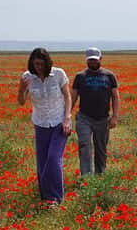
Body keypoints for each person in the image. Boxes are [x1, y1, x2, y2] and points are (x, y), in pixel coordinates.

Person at [17, 47, 72, 205]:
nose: (38, 67)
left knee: (53, 159)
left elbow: (67, 97)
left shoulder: (58, 74)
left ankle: (55, 198)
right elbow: (21, 102)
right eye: (35, 64)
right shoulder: (27, 77)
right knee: (42, 162)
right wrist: (21, 88)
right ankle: (46, 198)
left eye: (41, 64)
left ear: (47, 63)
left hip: (59, 123)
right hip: (40, 123)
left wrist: (67, 118)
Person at [71, 47, 120, 176]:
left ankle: (100, 175)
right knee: (84, 145)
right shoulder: (80, 76)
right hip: (84, 118)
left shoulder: (109, 76)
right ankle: (86, 177)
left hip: (103, 118)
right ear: (86, 60)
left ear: (100, 59)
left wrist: (114, 117)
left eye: (94, 60)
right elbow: (73, 97)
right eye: (90, 60)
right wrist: (67, 114)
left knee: (101, 149)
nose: (92, 62)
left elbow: (115, 96)